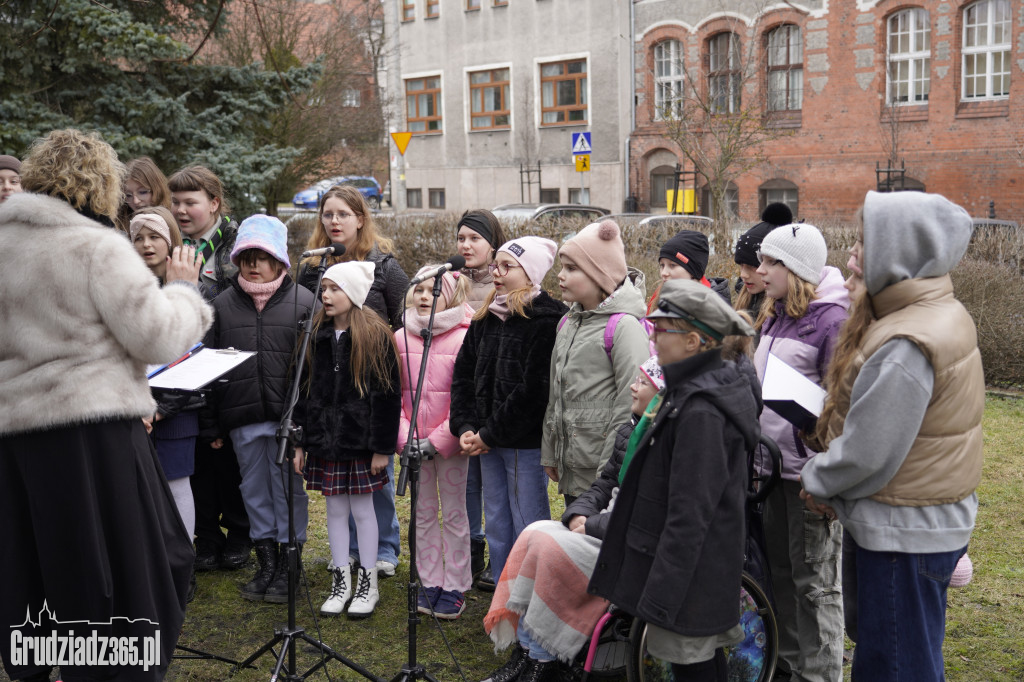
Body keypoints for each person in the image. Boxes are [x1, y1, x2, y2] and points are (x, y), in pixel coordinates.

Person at [0, 129, 211, 682]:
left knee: (38, 564)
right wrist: (185, 291)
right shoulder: (96, 248)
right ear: (99, 184)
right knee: (132, 567)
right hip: (94, 435)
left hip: (17, 439)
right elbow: (159, 337)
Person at [799, 191, 984, 681]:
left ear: (900, 250)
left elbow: (868, 452)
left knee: (896, 666)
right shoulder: (933, 313)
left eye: (863, 242)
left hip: (906, 535)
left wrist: (817, 478)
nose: (851, 256)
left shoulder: (907, 340)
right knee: (907, 658)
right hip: (918, 526)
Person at [590, 279, 761, 682]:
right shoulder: (690, 390)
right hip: (689, 573)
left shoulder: (701, 409)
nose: (653, 340)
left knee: (693, 667)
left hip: (689, 577)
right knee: (700, 663)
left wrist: (663, 592)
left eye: (661, 330)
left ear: (694, 341)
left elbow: (691, 513)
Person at [480, 357, 664, 682]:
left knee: (550, 549)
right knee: (535, 532)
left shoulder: (663, 441)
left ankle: (543, 662)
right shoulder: (632, 429)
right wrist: (579, 512)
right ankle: (526, 652)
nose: (633, 387)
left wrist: (591, 525)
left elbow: (644, 516)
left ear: (661, 394)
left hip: (630, 544)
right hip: (607, 527)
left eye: (643, 382)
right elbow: (605, 482)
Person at [753, 223, 849, 682]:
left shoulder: (832, 322)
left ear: (798, 270)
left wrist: (825, 473)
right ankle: (789, 666)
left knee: (816, 586)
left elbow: (842, 406)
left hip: (808, 479)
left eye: (772, 262)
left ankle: (821, 674)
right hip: (770, 472)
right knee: (780, 576)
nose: (761, 270)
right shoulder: (772, 315)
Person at [297, 184, 408, 577]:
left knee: (373, 480)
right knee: (339, 490)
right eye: (327, 214)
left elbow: (404, 319)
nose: (334, 221)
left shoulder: (385, 265)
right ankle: (347, 554)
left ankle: (384, 550)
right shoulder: (314, 268)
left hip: (369, 384)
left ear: (361, 218)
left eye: (343, 214)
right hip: (330, 389)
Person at [206, 215, 316, 603]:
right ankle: (266, 561)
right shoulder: (221, 305)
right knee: (253, 490)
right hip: (242, 418)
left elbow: (312, 372)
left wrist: (305, 421)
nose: (254, 265)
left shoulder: (305, 302)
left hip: (289, 421)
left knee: (288, 490)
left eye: (263, 257)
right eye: (247, 256)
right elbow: (211, 367)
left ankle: (290, 564)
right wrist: (214, 425)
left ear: (281, 262)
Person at [450, 236, 567, 585]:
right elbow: (464, 376)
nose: (496, 273)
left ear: (530, 273)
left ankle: (530, 592)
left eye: (507, 266)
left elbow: (533, 392)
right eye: (495, 265)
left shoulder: (546, 320)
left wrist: (490, 433)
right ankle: (502, 585)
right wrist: (466, 426)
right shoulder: (485, 317)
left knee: (527, 519)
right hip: (486, 441)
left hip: (522, 443)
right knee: (497, 518)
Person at [296, 261, 402, 618]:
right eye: (323, 289)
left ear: (353, 294)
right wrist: (299, 441)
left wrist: (381, 447)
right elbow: (302, 392)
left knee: (363, 511)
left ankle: (367, 582)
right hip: (326, 442)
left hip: (360, 444)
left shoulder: (374, 335)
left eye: (334, 289)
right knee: (334, 510)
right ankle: (340, 580)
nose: (325, 296)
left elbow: (388, 397)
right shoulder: (315, 335)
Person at [169, 164, 251, 572]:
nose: (181, 210)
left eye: (191, 202)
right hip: (185, 362)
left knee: (230, 456)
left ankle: (239, 532)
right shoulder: (172, 243)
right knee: (196, 454)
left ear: (215, 204)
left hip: (230, 360)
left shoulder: (236, 246)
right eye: (176, 202)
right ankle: (205, 536)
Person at [542, 220, 650, 504]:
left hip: (603, 471)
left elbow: (629, 407)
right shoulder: (566, 322)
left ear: (599, 276)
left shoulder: (624, 327)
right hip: (573, 463)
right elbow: (556, 393)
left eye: (572, 268)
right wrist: (551, 452)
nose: (560, 275)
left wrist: (609, 473)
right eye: (562, 267)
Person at [396, 266, 475, 619]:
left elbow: (466, 397)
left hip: (451, 443)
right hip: (413, 444)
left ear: (453, 296)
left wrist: (440, 439)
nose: (425, 296)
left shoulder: (464, 337)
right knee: (423, 514)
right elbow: (394, 395)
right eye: (419, 289)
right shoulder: (400, 338)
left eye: (434, 290)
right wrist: (406, 438)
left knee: (455, 514)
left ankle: (456, 584)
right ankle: (429, 580)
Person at [456, 208, 507, 589]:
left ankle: (496, 550)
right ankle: (470, 546)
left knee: (493, 479)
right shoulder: (449, 282)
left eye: (475, 238)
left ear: (493, 244)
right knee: (465, 480)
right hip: (459, 394)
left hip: (494, 398)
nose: (467, 245)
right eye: (462, 238)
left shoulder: (505, 282)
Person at [733, 202, 793, 337]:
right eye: (741, 266)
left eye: (751, 267)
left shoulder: (787, 313)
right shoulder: (744, 300)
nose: (743, 275)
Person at [116, 156, 172, 233]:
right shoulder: (119, 227)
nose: (136, 201)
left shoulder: (175, 218)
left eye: (142, 192)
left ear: (157, 189)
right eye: (128, 195)